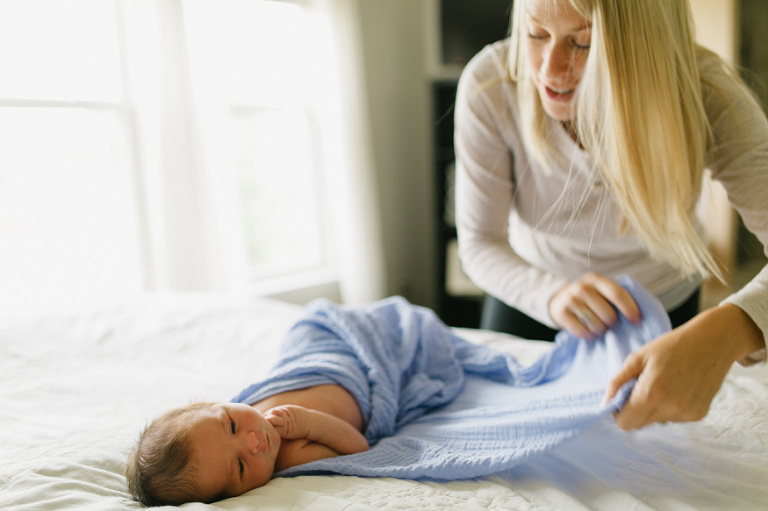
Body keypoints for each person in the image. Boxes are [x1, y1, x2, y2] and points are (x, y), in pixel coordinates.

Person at [454, 0, 767, 430]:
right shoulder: (489, 85)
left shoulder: (706, 94)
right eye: (536, 34)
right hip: (529, 299)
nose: (549, 68)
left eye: (583, 43)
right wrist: (550, 294)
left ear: (643, 46)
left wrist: (731, 329)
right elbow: (479, 243)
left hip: (663, 310)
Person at [125, 384, 368, 506]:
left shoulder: (251, 405)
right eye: (240, 466)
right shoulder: (291, 455)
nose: (253, 442)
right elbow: (357, 448)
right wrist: (309, 423)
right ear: (236, 495)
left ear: (212, 403)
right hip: (360, 383)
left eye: (231, 426)